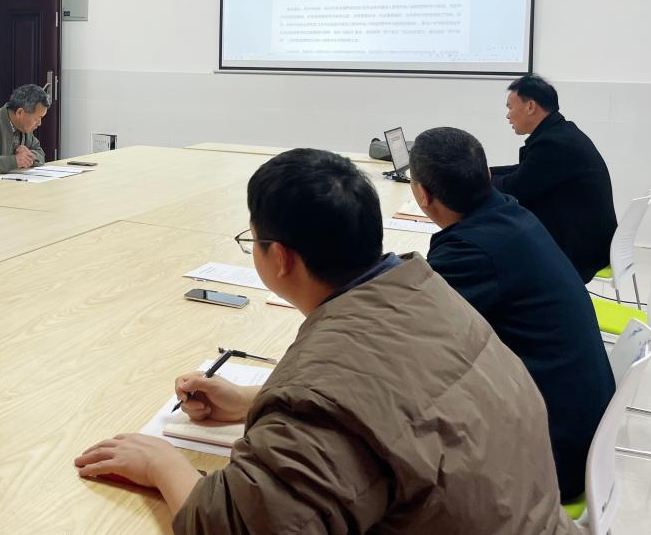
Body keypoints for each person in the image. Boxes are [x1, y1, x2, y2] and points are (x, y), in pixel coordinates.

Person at [74, 149, 573, 535]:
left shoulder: (322, 384)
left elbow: (236, 525)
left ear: (280, 258)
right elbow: (391, 404)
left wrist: (161, 463)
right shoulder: (426, 292)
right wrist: (252, 402)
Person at [409, 126, 614, 502]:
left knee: (399, 442)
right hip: (583, 431)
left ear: (422, 195)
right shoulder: (510, 215)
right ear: (487, 175)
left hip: (555, 454)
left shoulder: (471, 252)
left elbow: (413, 338)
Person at [490, 74, 617, 282]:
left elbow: (516, 188)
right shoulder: (560, 133)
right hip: (592, 241)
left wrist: (478, 179)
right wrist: (486, 171)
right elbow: (526, 171)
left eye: (510, 107)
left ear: (530, 106)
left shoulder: (554, 143)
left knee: (499, 245)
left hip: (580, 251)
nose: (508, 115)